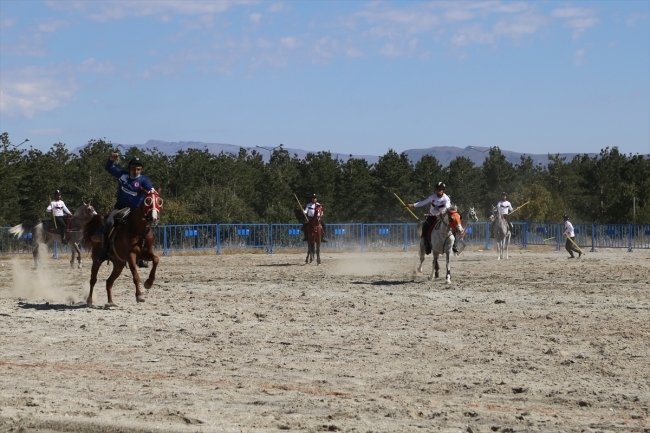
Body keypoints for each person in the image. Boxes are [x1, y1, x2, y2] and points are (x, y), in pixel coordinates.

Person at [99, 153, 155, 262]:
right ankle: (104, 251)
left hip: (136, 210)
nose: (136, 171)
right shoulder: (123, 175)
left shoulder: (144, 181)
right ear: (130, 168)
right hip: (120, 208)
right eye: (134, 168)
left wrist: (153, 193)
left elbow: (152, 191)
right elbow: (108, 167)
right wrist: (111, 159)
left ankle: (143, 255)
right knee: (109, 222)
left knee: (146, 229)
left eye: (138, 169)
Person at [406, 182, 454, 253]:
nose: (438, 191)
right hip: (432, 217)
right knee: (425, 227)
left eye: (440, 190)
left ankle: (455, 245)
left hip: (442, 217)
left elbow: (448, 208)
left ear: (443, 190)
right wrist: (413, 205)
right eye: (437, 189)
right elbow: (423, 202)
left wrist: (443, 212)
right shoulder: (432, 197)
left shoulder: (446, 199)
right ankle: (426, 244)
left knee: (454, 226)